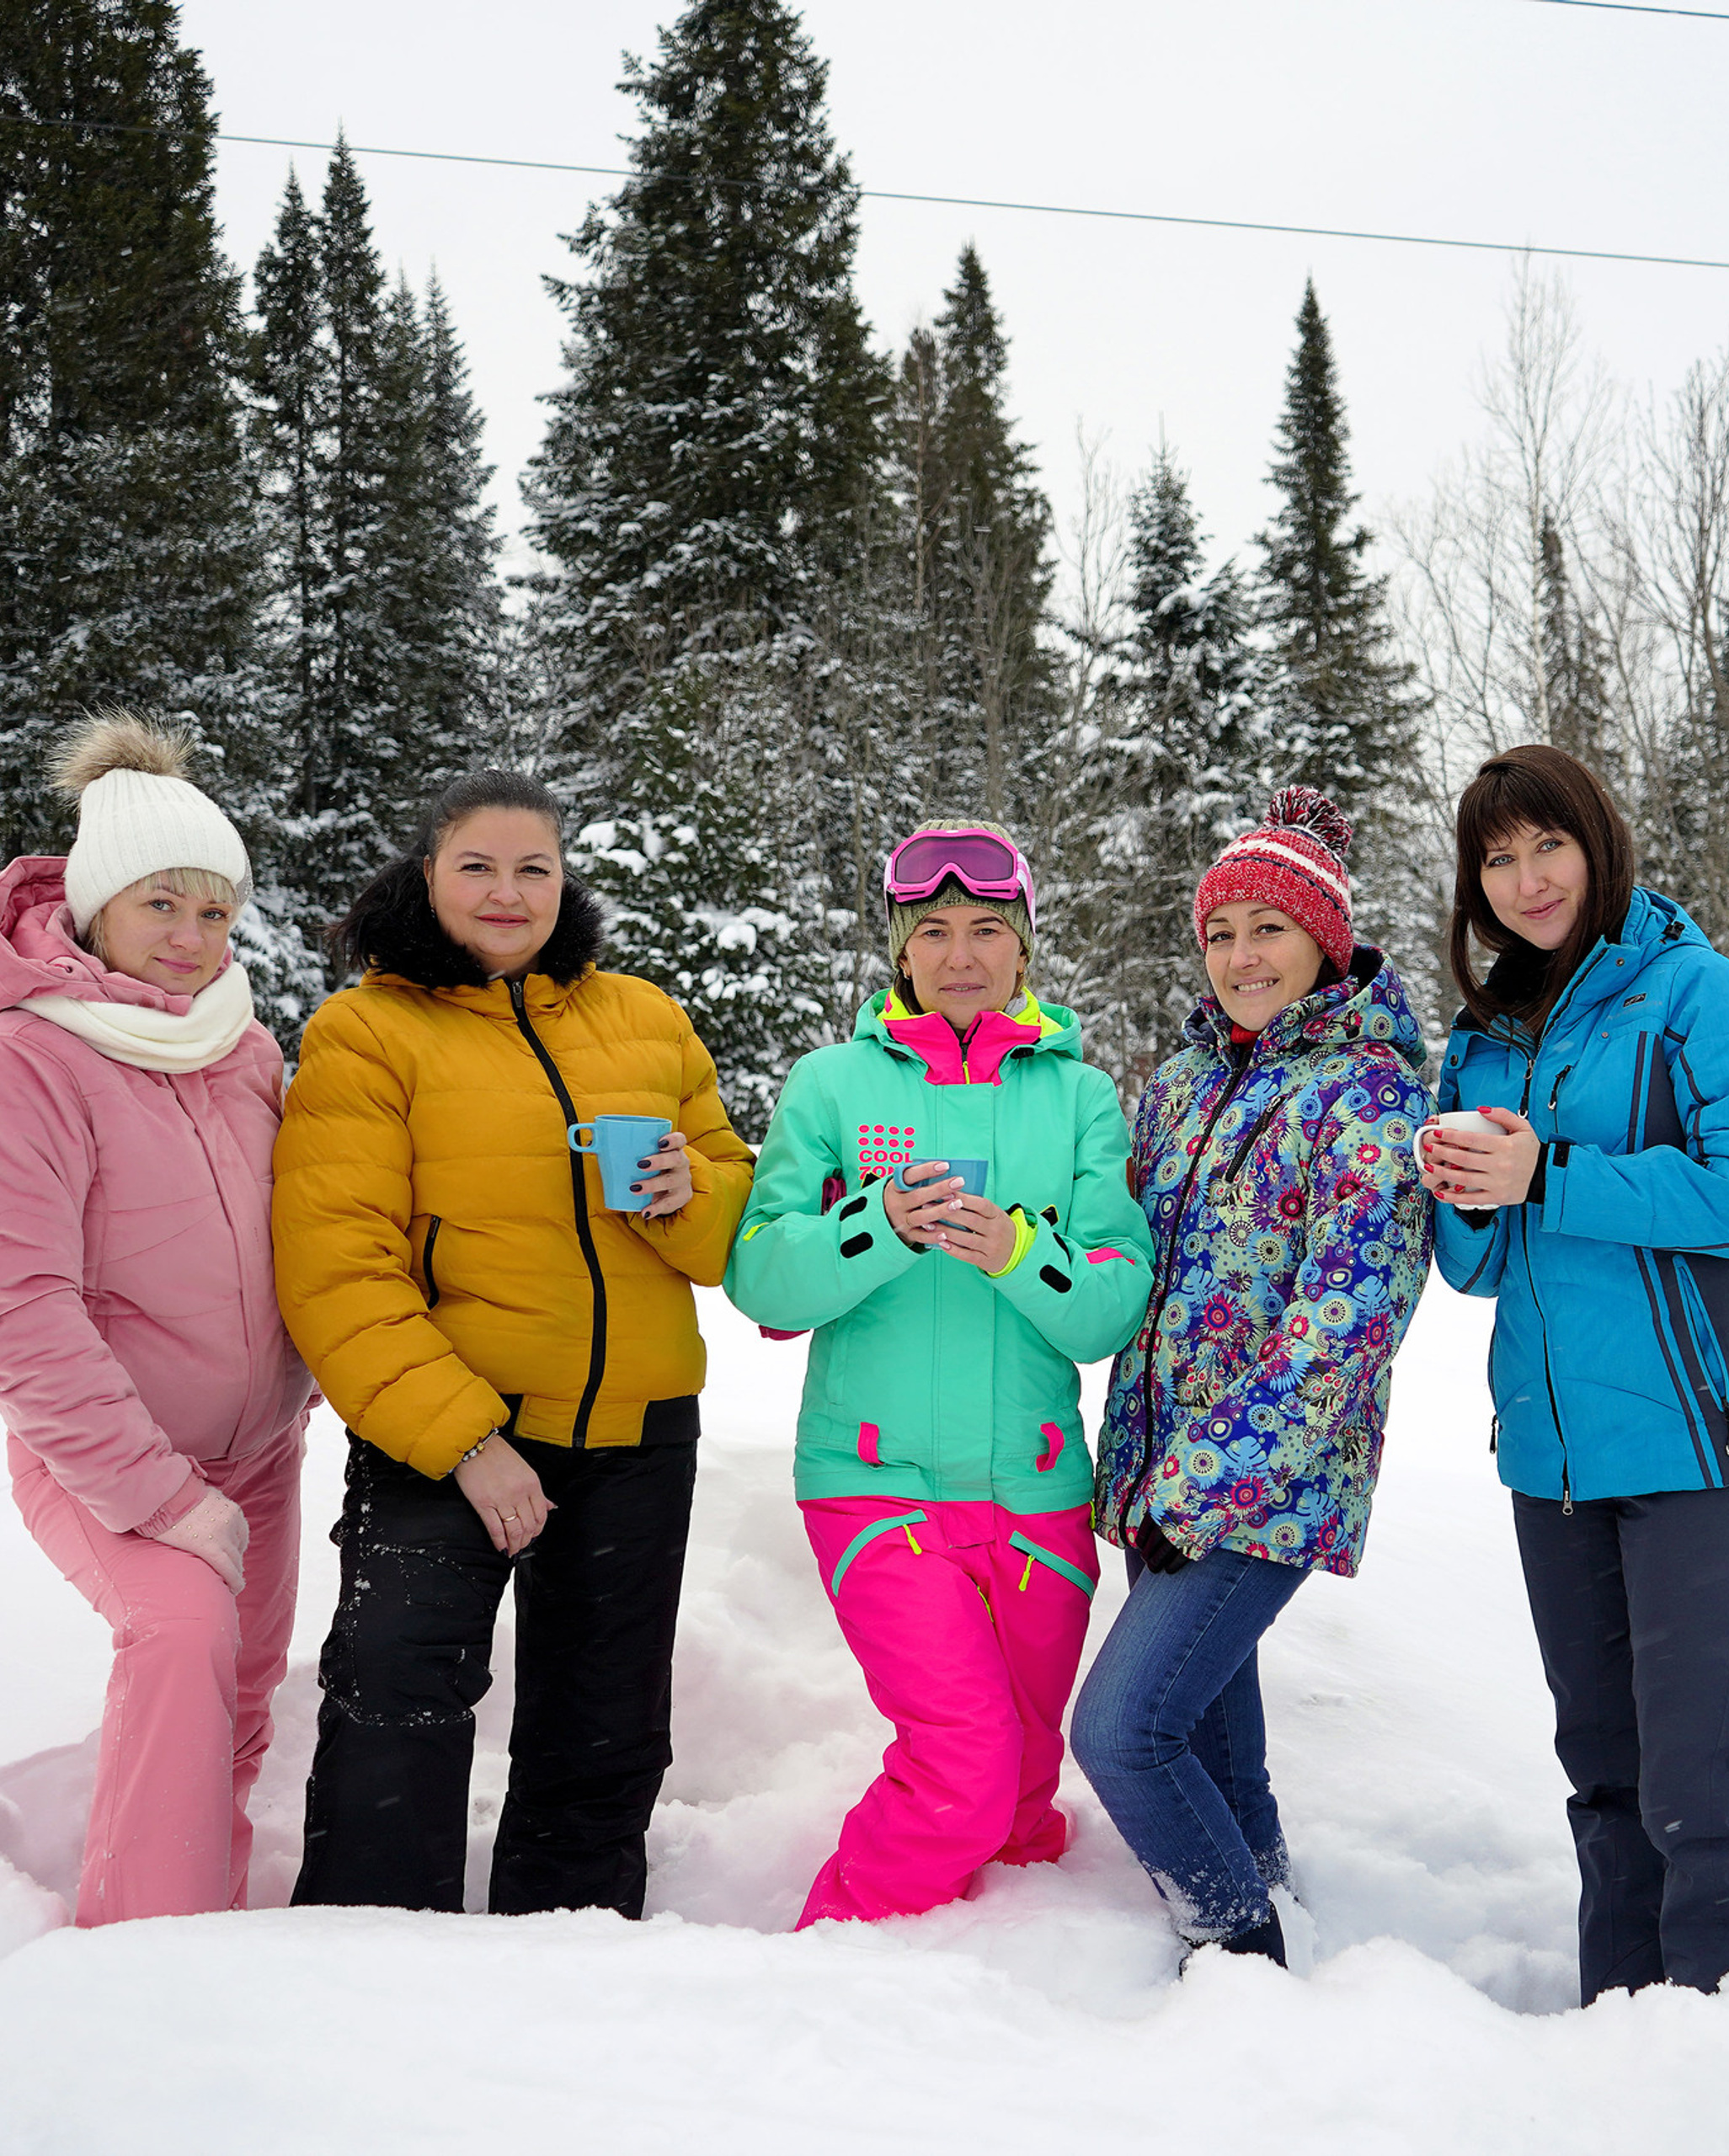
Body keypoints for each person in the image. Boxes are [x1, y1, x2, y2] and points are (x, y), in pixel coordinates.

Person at [273, 769, 754, 1918]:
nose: (507, 892)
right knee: (395, 1699)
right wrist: (466, 1443)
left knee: (605, 1733)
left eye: (533, 867)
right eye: (477, 866)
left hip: (638, 1434)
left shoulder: (645, 1016)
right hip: (448, 1434)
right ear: (428, 874)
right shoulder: (367, 1031)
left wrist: (691, 1193)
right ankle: (366, 1956)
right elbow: (339, 1269)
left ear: (564, 879)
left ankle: (571, 1964)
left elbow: (736, 1206)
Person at [1421, 743, 1729, 2004]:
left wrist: (1554, 1175)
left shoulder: (1691, 990)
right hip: (1552, 1456)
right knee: (1603, 1774)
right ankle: (1622, 2029)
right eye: (1498, 858)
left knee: (1701, 1784)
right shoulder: (1484, 1038)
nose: (1528, 879)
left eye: (1550, 845)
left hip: (1694, 1440)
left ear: (1598, 845)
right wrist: (1468, 1192)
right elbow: (1476, 1269)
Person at [725, 819, 1152, 1927]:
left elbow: (1112, 1307)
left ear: (1024, 947)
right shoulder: (831, 1086)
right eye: (934, 931)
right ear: (901, 951)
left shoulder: (1080, 1097)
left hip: (1036, 1494)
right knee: (963, 1766)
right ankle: (833, 1956)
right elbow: (763, 1281)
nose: (961, 955)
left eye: (987, 931)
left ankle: (1005, 1976)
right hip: (876, 1485)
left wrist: (1018, 1250)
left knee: (1019, 1791)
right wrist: (876, 1225)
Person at [1073, 787, 1433, 1968]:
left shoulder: (1368, 1092)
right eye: (1220, 932)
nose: (1241, 957)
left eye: (1268, 929)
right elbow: (1122, 1253)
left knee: (1123, 1734)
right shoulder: (1184, 1082)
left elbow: (1347, 1325)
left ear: (1324, 941)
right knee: (1216, 1746)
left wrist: (1198, 1486)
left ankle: (1237, 1952)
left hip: (1259, 1485)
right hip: (1159, 1471)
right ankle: (1280, 1918)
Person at [0, 712, 314, 1925]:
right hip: (104, 1454)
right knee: (181, 1637)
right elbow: (22, 1305)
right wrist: (160, 1497)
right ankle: (143, 1958)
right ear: (94, 909)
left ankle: (208, 1931)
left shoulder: (244, 1048)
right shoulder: (34, 1060)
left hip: (261, 1453)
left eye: (215, 913)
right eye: (161, 906)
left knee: (237, 1700)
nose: (192, 939)